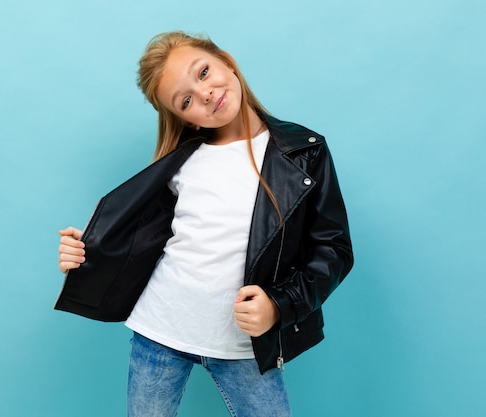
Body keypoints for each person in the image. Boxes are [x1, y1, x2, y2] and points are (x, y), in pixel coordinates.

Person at [56, 31, 353, 417]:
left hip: (244, 344)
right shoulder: (179, 165)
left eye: (203, 72)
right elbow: (137, 241)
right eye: (186, 101)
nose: (206, 94)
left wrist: (279, 306)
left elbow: (333, 249)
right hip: (158, 333)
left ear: (227, 61)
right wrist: (86, 252)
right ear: (185, 120)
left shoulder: (303, 152)